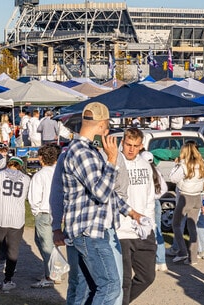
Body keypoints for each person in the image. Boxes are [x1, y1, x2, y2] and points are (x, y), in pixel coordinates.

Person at [57, 102, 140, 305]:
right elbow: (101, 193)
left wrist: (131, 213)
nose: (108, 131)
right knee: (110, 286)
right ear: (102, 125)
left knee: (86, 290)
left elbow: (106, 193)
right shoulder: (82, 152)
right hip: (90, 232)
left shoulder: (85, 150)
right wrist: (112, 159)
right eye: (107, 126)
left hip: (86, 231)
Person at [117, 128, 157, 305]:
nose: (131, 149)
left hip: (144, 230)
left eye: (135, 146)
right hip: (122, 231)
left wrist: (150, 225)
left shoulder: (145, 165)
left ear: (141, 146)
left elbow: (150, 198)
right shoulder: (116, 163)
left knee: (147, 276)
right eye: (128, 145)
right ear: (122, 143)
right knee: (123, 281)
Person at [0, 156, 31, 291]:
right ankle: (8, 280)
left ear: (8, 164)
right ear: (20, 166)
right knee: (13, 250)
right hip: (17, 219)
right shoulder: (26, 178)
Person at [168, 141, 204, 265]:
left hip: (185, 197)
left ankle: (182, 251)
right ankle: (193, 257)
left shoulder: (184, 165)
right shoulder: (202, 163)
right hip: (197, 197)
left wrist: (177, 165)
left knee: (176, 224)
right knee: (192, 226)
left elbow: (173, 178)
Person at [28, 143, 60, 288]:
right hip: (57, 213)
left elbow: (34, 197)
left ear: (41, 158)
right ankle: (54, 270)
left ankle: (51, 275)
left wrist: (36, 212)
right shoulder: (59, 173)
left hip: (44, 212)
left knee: (46, 246)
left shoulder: (39, 175)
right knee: (46, 242)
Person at [140, 151, 168, 272]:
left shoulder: (143, 172)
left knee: (144, 230)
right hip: (155, 202)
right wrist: (157, 196)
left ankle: (148, 260)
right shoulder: (156, 172)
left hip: (145, 202)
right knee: (157, 230)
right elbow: (164, 188)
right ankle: (161, 260)